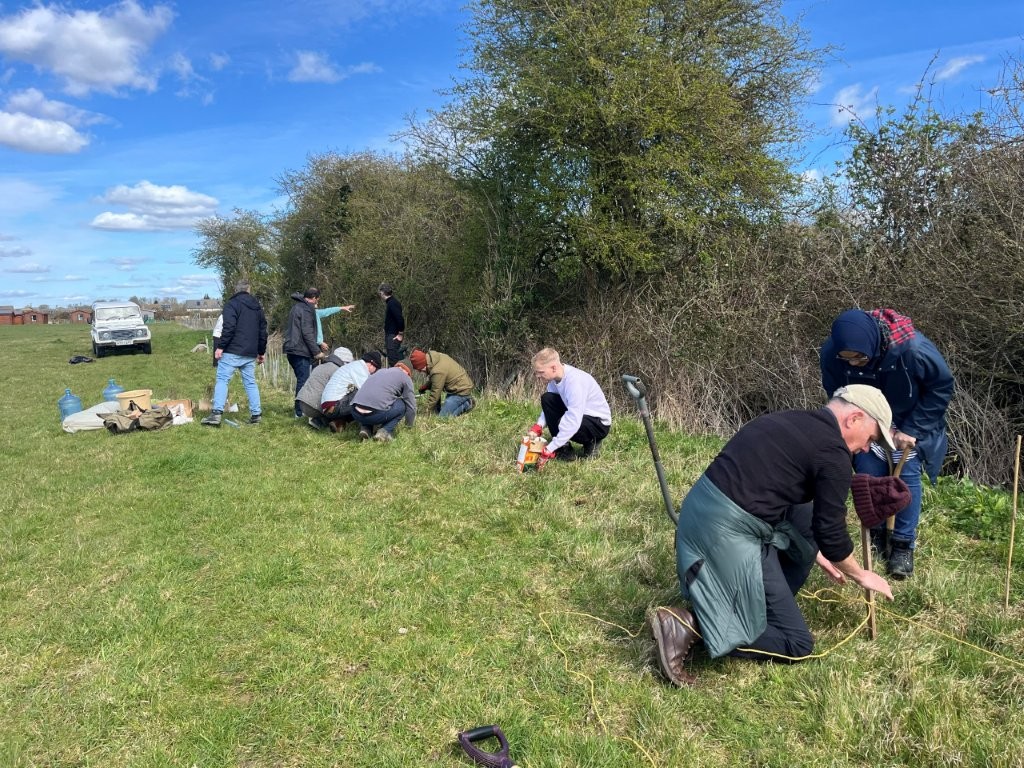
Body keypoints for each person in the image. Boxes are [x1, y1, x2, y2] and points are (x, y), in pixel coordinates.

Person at [649, 385, 897, 687]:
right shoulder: (834, 455)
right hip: (724, 534)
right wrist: (862, 575)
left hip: (698, 518)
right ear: (854, 418)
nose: (865, 449)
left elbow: (774, 495)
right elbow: (832, 533)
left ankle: (743, 610)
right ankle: (690, 624)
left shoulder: (788, 420)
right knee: (796, 643)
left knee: (806, 532)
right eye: (871, 439)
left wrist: (812, 551)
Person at [820, 308, 954, 579]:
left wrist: (911, 429)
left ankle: (903, 545)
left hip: (908, 424)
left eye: (859, 358)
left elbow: (941, 387)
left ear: (872, 345)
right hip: (869, 423)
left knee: (905, 476)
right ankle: (878, 534)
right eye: (848, 359)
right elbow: (836, 394)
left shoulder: (913, 350)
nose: (854, 364)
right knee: (869, 473)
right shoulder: (832, 354)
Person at [201, 280, 267, 427]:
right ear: (249, 290)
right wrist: (261, 352)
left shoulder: (232, 304)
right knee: (250, 382)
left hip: (232, 350)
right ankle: (256, 415)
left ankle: (216, 414)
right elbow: (263, 331)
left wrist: (220, 347)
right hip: (250, 352)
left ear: (235, 290)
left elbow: (229, 327)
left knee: (223, 379)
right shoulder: (257, 307)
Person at [528, 348, 611, 462]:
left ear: (553, 368)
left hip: (598, 424)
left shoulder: (574, 382)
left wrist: (549, 448)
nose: (537, 375)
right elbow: (549, 408)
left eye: (541, 372)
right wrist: (539, 425)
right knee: (547, 398)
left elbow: (573, 420)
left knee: (563, 423)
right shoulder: (554, 379)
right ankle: (564, 449)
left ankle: (592, 442)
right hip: (580, 415)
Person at [350, 360, 416, 442]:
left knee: (370, 401)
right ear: (407, 372)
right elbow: (411, 407)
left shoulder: (380, 372)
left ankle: (366, 429)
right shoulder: (405, 377)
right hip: (374, 415)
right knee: (403, 405)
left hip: (355, 412)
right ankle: (384, 431)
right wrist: (409, 427)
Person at [284, 288, 323, 418]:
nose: (317, 303)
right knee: (303, 381)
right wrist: (316, 351)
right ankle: (299, 412)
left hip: (292, 348)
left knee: (302, 380)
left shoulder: (297, 307)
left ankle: (300, 410)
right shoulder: (306, 309)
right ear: (314, 298)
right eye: (317, 300)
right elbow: (307, 332)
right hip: (300, 350)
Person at [320, 351, 381, 431]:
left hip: (328, 407)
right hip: (334, 406)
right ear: (371, 364)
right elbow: (367, 392)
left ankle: (338, 423)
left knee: (357, 394)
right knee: (364, 396)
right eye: (376, 369)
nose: (374, 372)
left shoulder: (353, 366)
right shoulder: (360, 369)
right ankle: (367, 428)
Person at [295, 347, 354, 428]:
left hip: (302, 403)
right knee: (344, 402)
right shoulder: (338, 371)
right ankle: (324, 421)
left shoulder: (321, 366)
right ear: (344, 361)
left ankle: (318, 420)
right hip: (314, 406)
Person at [409, 348, 476, 417]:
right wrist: (425, 387)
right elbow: (436, 381)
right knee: (442, 411)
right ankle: (437, 411)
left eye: (419, 369)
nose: (420, 372)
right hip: (456, 387)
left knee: (443, 417)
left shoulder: (437, 371)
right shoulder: (436, 358)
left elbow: (435, 392)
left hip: (461, 391)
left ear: (423, 364)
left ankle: (467, 404)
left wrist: (426, 411)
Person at [378, 282, 405, 366]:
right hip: (391, 335)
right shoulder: (391, 302)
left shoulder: (392, 303)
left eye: (380, 292)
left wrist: (400, 333)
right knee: (392, 359)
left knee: (394, 362)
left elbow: (400, 319)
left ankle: (397, 377)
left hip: (393, 336)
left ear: (382, 292)